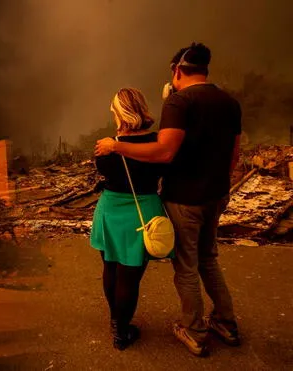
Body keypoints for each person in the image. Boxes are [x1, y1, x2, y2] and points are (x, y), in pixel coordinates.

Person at [94, 42, 241, 357]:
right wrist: (221, 186)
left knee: (186, 267)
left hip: (185, 198)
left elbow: (165, 152)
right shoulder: (230, 102)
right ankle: (226, 323)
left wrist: (116, 145)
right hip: (216, 194)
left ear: (177, 70)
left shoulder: (180, 102)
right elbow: (234, 153)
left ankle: (194, 331)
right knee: (209, 259)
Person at [91, 88, 169, 350]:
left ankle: (117, 324)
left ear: (119, 113)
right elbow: (164, 167)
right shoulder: (157, 143)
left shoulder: (106, 146)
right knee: (129, 277)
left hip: (110, 210)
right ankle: (121, 331)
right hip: (142, 211)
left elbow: (103, 171)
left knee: (110, 268)